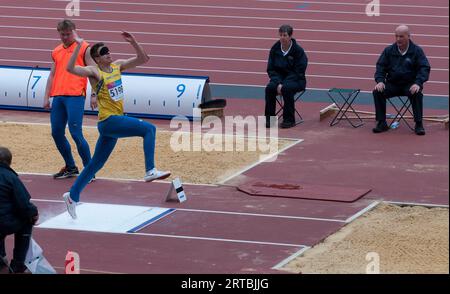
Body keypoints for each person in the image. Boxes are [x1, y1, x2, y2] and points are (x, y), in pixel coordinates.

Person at [62, 30, 171, 219]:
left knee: (95, 165)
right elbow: (71, 69)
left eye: (109, 50)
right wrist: (78, 46)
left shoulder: (117, 66)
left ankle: (72, 196)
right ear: (96, 58)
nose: (108, 54)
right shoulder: (94, 72)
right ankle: (150, 170)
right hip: (108, 121)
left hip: (113, 122)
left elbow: (143, 59)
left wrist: (134, 41)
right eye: (104, 52)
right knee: (149, 129)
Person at [43, 19, 94, 179]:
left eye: (68, 34)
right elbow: (52, 75)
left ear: (74, 31)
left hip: (75, 96)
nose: (65, 37)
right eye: (62, 34)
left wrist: (94, 94)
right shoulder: (56, 51)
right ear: (58, 33)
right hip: (58, 96)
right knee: (56, 133)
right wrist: (46, 96)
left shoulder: (84, 48)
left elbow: (93, 72)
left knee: (75, 133)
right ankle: (71, 166)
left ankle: (89, 170)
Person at [373, 25, 431, 135]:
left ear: (408, 36)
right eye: (396, 36)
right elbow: (380, 67)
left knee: (417, 93)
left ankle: (419, 124)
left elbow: (424, 68)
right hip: (392, 84)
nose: (398, 39)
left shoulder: (417, 51)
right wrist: (380, 81)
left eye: (401, 36)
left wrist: (418, 83)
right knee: (377, 91)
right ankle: (381, 122)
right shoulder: (389, 50)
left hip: (409, 84)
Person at [0, 146, 39, 273]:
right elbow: (24, 205)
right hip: (4, 223)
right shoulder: (11, 177)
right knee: (26, 220)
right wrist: (34, 213)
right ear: (8, 162)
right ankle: (18, 263)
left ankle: (0, 258)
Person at [265, 24, 308, 129]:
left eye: (284, 35)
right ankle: (270, 120)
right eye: (280, 35)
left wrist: (283, 84)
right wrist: (278, 82)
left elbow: (299, 71)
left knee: (287, 89)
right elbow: (271, 69)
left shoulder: (298, 51)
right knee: (269, 88)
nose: (282, 38)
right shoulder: (275, 49)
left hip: (297, 80)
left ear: (290, 36)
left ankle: (289, 120)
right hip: (278, 80)